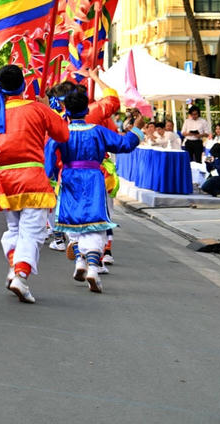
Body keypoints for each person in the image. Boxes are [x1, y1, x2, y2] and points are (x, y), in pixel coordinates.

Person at [0, 65, 70, 304]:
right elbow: (63, 134)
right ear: (23, 85)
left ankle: (15, 268)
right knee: (32, 232)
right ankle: (21, 276)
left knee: (14, 230)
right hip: (32, 178)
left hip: (5, 179)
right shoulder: (37, 109)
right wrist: (48, 107)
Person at [47, 88, 142, 293]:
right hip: (93, 178)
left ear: (68, 111)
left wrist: (49, 178)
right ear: (86, 110)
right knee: (95, 223)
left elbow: (49, 155)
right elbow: (124, 144)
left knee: (75, 221)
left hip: (70, 176)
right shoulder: (97, 131)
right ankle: (91, 266)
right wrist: (136, 129)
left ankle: (81, 262)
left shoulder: (62, 131)